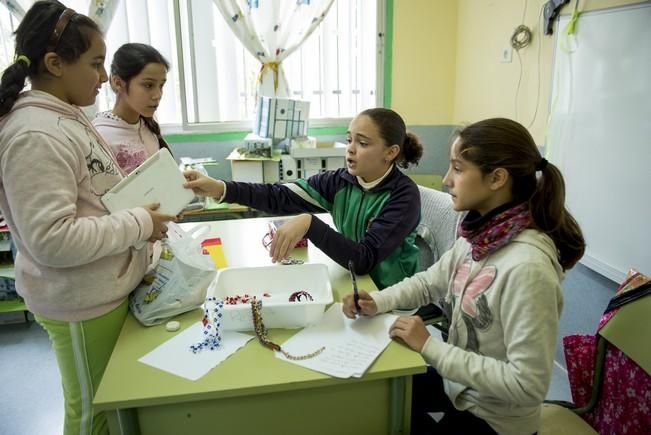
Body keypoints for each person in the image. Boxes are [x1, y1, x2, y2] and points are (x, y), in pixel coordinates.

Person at [342, 118, 586, 435]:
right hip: (461, 388)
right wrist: (377, 301)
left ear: (497, 178)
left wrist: (430, 346)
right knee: (381, 393)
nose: (446, 180)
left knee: (387, 417)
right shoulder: (480, 237)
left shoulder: (528, 268)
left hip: (495, 421)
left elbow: (527, 385)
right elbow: (430, 282)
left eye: (458, 169)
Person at [0, 2, 175, 434]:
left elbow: (92, 197)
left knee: (113, 405)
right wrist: (138, 223)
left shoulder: (64, 118)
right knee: (92, 413)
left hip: (101, 289)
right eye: (96, 64)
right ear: (55, 63)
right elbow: (52, 240)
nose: (102, 77)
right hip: (78, 301)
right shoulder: (35, 133)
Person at [184, 108, 424, 289]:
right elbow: (277, 196)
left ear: (391, 152)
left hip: (392, 297)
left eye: (362, 143)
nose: (350, 149)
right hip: (355, 284)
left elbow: (363, 259)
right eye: (349, 139)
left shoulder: (404, 197)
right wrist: (219, 188)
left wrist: (310, 223)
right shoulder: (340, 182)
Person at [92, 42, 170, 174]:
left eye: (161, 86)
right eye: (148, 85)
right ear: (118, 83)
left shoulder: (148, 127)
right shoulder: (101, 135)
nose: (158, 95)